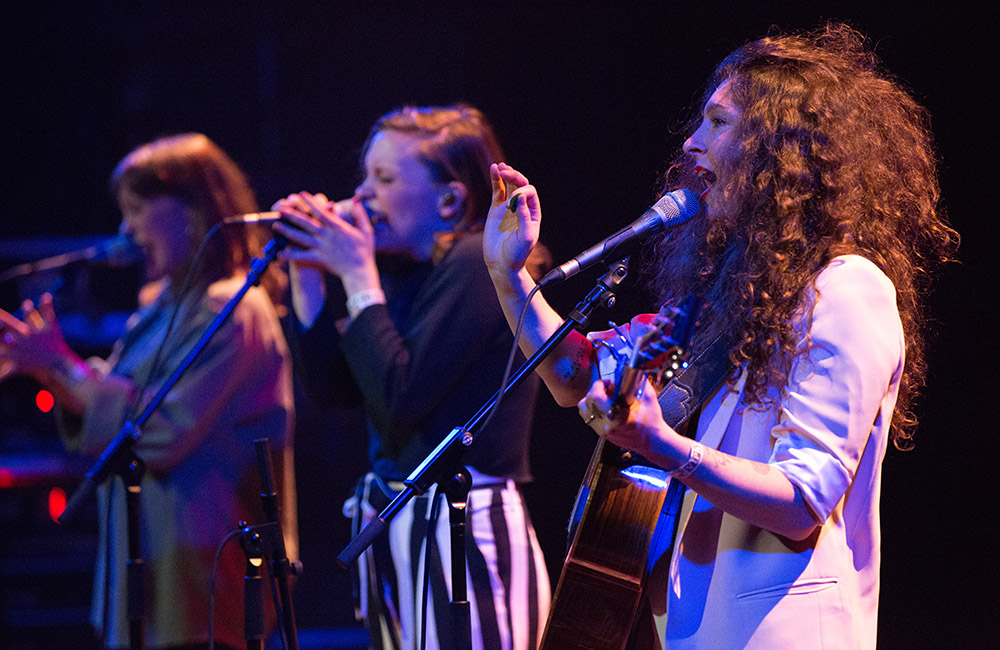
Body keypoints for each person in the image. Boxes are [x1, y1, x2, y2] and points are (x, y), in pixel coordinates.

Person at [484, 24, 956, 650]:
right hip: (691, 627)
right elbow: (578, 376)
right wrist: (507, 274)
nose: (692, 141)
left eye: (718, 122)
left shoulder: (847, 289)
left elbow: (801, 497)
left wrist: (665, 447)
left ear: (780, 149)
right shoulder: (725, 294)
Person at [0, 133, 297, 650]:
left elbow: (161, 431)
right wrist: (46, 369)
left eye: (137, 210)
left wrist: (61, 367)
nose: (126, 229)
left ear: (189, 210)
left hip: (203, 567)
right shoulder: (162, 305)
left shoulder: (232, 310)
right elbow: (122, 402)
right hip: (154, 563)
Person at [272, 104, 551, 650]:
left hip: (463, 526)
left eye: (385, 178)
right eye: (364, 176)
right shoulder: (407, 275)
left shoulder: (477, 264)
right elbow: (337, 391)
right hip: (406, 521)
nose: (361, 197)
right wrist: (305, 275)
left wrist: (356, 275)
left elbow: (404, 396)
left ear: (449, 199)